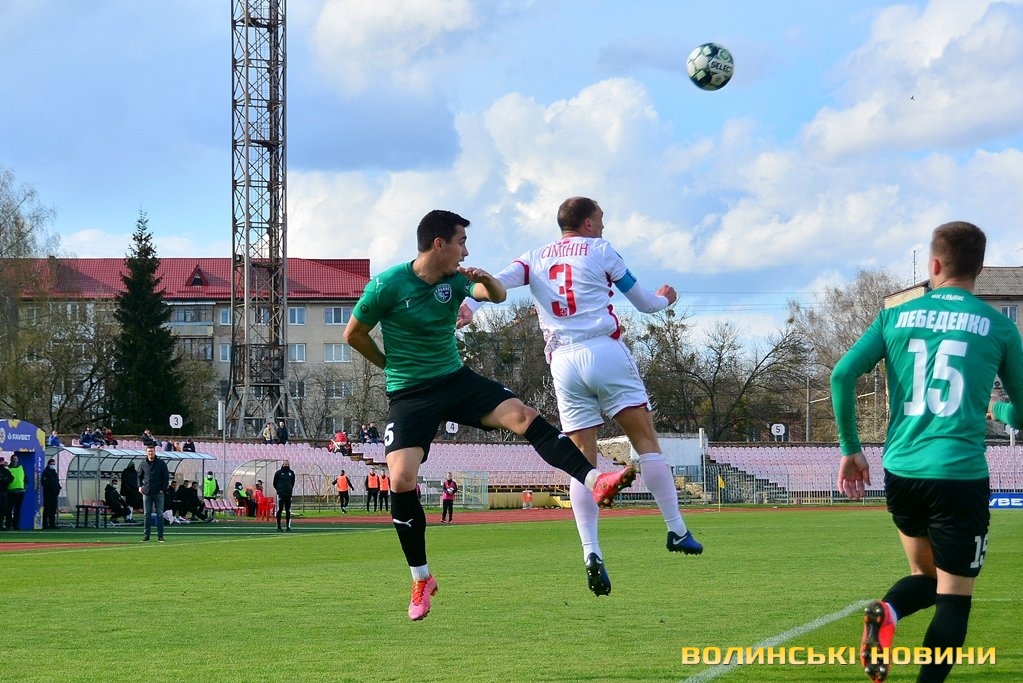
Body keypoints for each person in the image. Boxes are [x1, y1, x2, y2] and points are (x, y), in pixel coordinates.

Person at [342, 208, 635, 621]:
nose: (466, 251)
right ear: (439, 244)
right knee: (401, 479)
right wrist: (388, 366)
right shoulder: (387, 284)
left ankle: (595, 479)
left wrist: (488, 280)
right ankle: (421, 578)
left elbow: (495, 296)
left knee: (522, 415)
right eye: (461, 242)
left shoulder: (457, 279)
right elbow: (353, 334)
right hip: (410, 394)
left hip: (455, 380)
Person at [460, 196, 703, 595]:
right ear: (588, 223)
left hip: (563, 362)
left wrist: (469, 304)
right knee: (646, 443)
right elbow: (645, 303)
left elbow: (494, 283)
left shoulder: (534, 257)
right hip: (603, 350)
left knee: (581, 461)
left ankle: (591, 551)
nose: (603, 225)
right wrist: (666, 298)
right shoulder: (601, 249)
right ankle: (676, 530)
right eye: (601, 219)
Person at [831, 221, 1023, 683]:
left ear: (934, 264)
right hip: (959, 474)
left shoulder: (894, 317)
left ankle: (889, 611)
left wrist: (851, 449)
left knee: (926, 577)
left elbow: (841, 375)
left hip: (903, 471)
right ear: (979, 269)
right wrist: (995, 409)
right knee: (954, 599)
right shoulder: (1000, 327)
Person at [137, 446, 169, 542]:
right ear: (146, 453)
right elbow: (139, 476)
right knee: (147, 514)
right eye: (149, 451)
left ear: (155, 452)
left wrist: (163, 489)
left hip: (158, 492)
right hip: (147, 492)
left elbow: (166, 477)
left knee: (160, 514)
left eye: (152, 451)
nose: (150, 453)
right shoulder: (143, 463)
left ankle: (160, 536)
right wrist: (139, 486)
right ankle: (146, 536)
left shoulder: (161, 463)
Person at [273, 459, 296, 531]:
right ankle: (279, 527)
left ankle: (288, 527)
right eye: (285, 464)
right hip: (280, 494)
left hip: (288, 494)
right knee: (279, 510)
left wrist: (289, 489)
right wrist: (279, 490)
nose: (286, 465)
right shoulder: (278, 473)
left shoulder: (291, 473)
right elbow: (275, 483)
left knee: (288, 510)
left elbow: (292, 482)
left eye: (287, 464)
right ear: (283, 464)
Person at [6, 454, 26, 530]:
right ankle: (8, 524)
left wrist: (25, 487)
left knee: (18, 509)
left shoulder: (21, 467)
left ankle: (16, 525)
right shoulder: (8, 469)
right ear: (11, 460)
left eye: (16, 459)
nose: (15, 460)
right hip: (10, 491)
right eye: (14, 459)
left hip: (20, 491)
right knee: (9, 509)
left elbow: (25, 479)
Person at [41, 457, 61, 529]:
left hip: (54, 494)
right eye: (52, 464)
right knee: (47, 509)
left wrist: (58, 488)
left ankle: (52, 524)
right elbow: (44, 482)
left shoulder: (54, 472)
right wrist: (51, 488)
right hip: (48, 494)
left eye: (54, 464)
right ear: (49, 464)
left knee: (53, 509)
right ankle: (45, 524)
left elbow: (56, 482)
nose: (53, 465)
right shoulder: (46, 472)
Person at [0, 458, 12, 530]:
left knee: (3, 508)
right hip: (3, 491)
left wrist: (5, 480)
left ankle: (1, 524)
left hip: (4, 491)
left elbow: (11, 478)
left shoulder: (6, 471)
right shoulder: (5, 471)